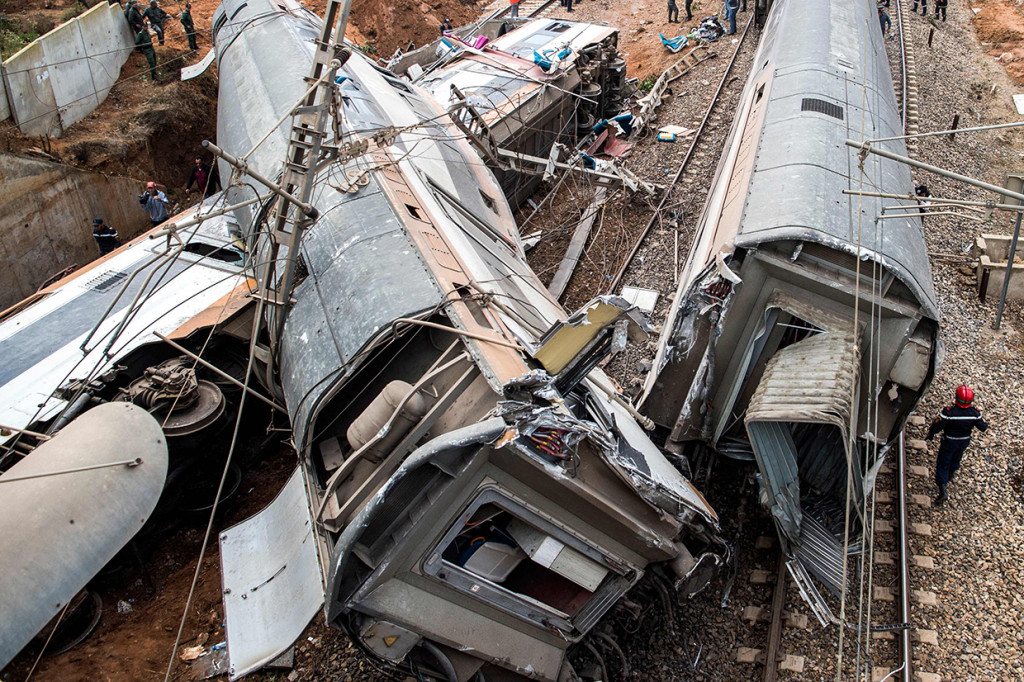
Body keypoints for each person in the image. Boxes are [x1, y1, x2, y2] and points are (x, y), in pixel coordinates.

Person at [926, 385, 989, 505]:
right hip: (963, 442)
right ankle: (951, 474)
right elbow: (983, 427)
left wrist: (931, 433)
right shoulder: (974, 413)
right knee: (957, 458)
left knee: (943, 463)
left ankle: (942, 489)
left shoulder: (949, 413)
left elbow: (937, 425)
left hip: (949, 442)